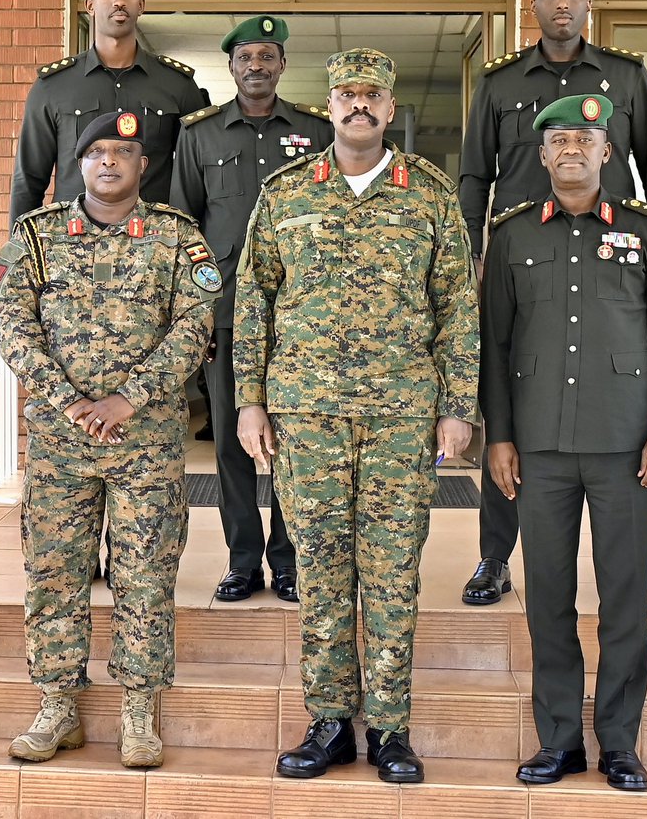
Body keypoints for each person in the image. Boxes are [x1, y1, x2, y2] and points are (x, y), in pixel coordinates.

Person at [235, 48, 479, 784]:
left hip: (401, 415)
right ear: (330, 106)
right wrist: (249, 400)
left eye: (373, 93)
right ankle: (331, 721)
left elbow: (457, 309)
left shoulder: (430, 195)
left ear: (390, 108)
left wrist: (457, 407)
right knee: (320, 567)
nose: (360, 105)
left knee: (394, 569)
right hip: (307, 414)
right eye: (347, 94)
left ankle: (392, 728)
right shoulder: (284, 195)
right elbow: (253, 302)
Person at [0, 111, 220, 769]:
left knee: (144, 574)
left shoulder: (177, 237)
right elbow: (12, 322)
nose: (110, 162)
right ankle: (57, 704)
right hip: (61, 445)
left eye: (123, 151)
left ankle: (139, 708)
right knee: (54, 574)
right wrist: (70, 400)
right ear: (74, 165)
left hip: (145, 444)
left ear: (142, 166)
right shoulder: (35, 238)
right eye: (96, 152)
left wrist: (128, 398)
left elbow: (195, 322)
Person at [480, 93, 647, 792]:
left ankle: (622, 745)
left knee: (625, 596)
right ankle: (560, 740)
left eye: (585, 140)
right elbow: (496, 345)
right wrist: (499, 436)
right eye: (558, 141)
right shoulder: (512, 236)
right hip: (538, 445)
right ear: (541, 157)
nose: (571, 150)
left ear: (608, 154)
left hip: (625, 445)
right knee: (548, 598)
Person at [457, 0, 647, 607]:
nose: (563, 4)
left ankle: (624, 573)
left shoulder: (626, 78)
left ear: (588, 2)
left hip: (611, 264)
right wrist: (473, 256)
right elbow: (476, 175)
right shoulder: (499, 85)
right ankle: (495, 557)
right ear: (534, 5)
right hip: (522, 270)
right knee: (507, 413)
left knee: (612, 402)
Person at [171, 14, 333, 604]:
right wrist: (197, 313)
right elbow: (184, 229)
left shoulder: (317, 133)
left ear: (283, 64)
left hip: (300, 317)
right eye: (245, 57)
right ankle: (243, 560)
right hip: (227, 313)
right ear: (232, 66)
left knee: (293, 439)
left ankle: (287, 561)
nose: (257, 66)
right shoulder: (201, 135)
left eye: (268, 56)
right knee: (232, 442)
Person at [10, 0, 207, 225]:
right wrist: (22, 252)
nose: (119, 1)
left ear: (141, 4)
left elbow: (198, 177)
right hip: (70, 248)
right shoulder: (53, 87)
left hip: (154, 248)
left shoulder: (177, 85)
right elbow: (28, 180)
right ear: (90, 4)